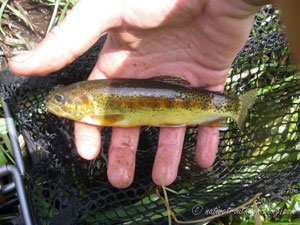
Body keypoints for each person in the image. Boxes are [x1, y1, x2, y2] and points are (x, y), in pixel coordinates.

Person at [8, 0, 268, 189]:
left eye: (62, 101)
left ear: (83, 102)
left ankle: (235, 107)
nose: (57, 104)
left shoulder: (100, 110)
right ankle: (234, 108)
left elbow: (116, 116)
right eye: (60, 101)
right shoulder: (92, 102)